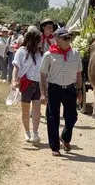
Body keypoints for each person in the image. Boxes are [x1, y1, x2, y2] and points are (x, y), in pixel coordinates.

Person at [39, 28, 83, 157]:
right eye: (64, 38)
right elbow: (42, 74)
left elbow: (79, 73)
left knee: (72, 117)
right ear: (57, 39)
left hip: (70, 89)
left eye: (69, 38)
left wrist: (80, 90)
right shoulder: (49, 55)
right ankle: (55, 147)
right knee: (53, 118)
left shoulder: (75, 54)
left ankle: (65, 137)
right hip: (54, 89)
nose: (67, 41)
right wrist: (42, 93)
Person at [11, 30, 44, 143]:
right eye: (39, 39)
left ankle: (35, 133)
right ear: (33, 40)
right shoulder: (21, 51)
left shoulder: (41, 53)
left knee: (37, 110)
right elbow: (16, 67)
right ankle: (27, 132)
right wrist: (14, 80)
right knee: (25, 110)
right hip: (26, 84)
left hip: (38, 84)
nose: (41, 41)